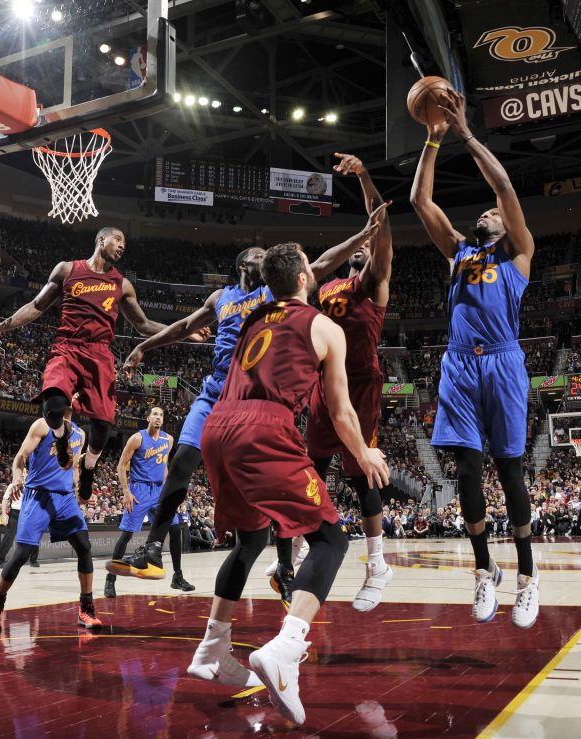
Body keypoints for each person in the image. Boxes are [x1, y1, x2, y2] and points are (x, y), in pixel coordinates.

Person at [112, 206, 390, 581]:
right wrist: (146, 346)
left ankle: (285, 567)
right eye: (258, 254)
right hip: (216, 394)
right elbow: (181, 326)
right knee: (180, 465)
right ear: (243, 264)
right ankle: (152, 549)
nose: (266, 257)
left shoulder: (272, 294)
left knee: (272, 488)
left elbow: (320, 263)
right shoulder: (220, 298)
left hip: (257, 396)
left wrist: (360, 238)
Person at [186, 243, 391, 726]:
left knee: (252, 537)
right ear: (304, 277)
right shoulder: (324, 326)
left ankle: (212, 648)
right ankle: (287, 645)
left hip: (218, 426)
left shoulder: (254, 314)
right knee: (330, 538)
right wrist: (363, 453)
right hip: (264, 427)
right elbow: (341, 412)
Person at [410, 90, 539, 628]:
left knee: (510, 472)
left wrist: (464, 132)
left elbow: (503, 186)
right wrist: (433, 141)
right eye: (483, 212)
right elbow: (421, 201)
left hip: (504, 363)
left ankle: (528, 578)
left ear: (507, 226)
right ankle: (484, 569)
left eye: (493, 214)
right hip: (460, 363)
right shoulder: (458, 252)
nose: (487, 213)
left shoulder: (521, 255)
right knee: (466, 470)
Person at [0, 227, 186, 501]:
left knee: (102, 428)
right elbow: (36, 306)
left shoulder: (122, 284)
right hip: (67, 347)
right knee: (52, 404)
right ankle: (62, 439)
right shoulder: (67, 269)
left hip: (100, 353)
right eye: (118, 239)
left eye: (125, 243)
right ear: (102, 240)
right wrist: (0, 329)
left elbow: (144, 325)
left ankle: (88, 466)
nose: (123, 246)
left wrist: (183, 329)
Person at [281, 150, 396, 612]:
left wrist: (367, 175)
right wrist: (359, 236)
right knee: (312, 465)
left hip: (360, 383)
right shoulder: (325, 285)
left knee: (361, 470)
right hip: (323, 380)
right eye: (361, 247)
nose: (365, 250)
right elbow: (324, 262)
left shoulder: (373, 284)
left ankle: (377, 562)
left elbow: (381, 226)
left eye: (369, 248)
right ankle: (305, 543)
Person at [0, 412, 102, 632]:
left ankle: (85, 608)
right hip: (38, 495)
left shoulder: (80, 433)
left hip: (65, 497)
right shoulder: (42, 425)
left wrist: (81, 490)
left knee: (84, 546)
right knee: (21, 554)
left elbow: (74, 467)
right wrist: (17, 477)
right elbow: (20, 457)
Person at [104, 406, 192, 597]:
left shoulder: (168, 440)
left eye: (161, 414)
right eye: (155, 414)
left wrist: (171, 493)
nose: (158, 417)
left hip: (160, 490)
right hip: (139, 489)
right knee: (126, 535)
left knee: (176, 530)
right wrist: (126, 491)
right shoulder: (137, 438)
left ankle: (177, 576)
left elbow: (164, 467)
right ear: (148, 418)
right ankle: (110, 579)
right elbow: (120, 465)